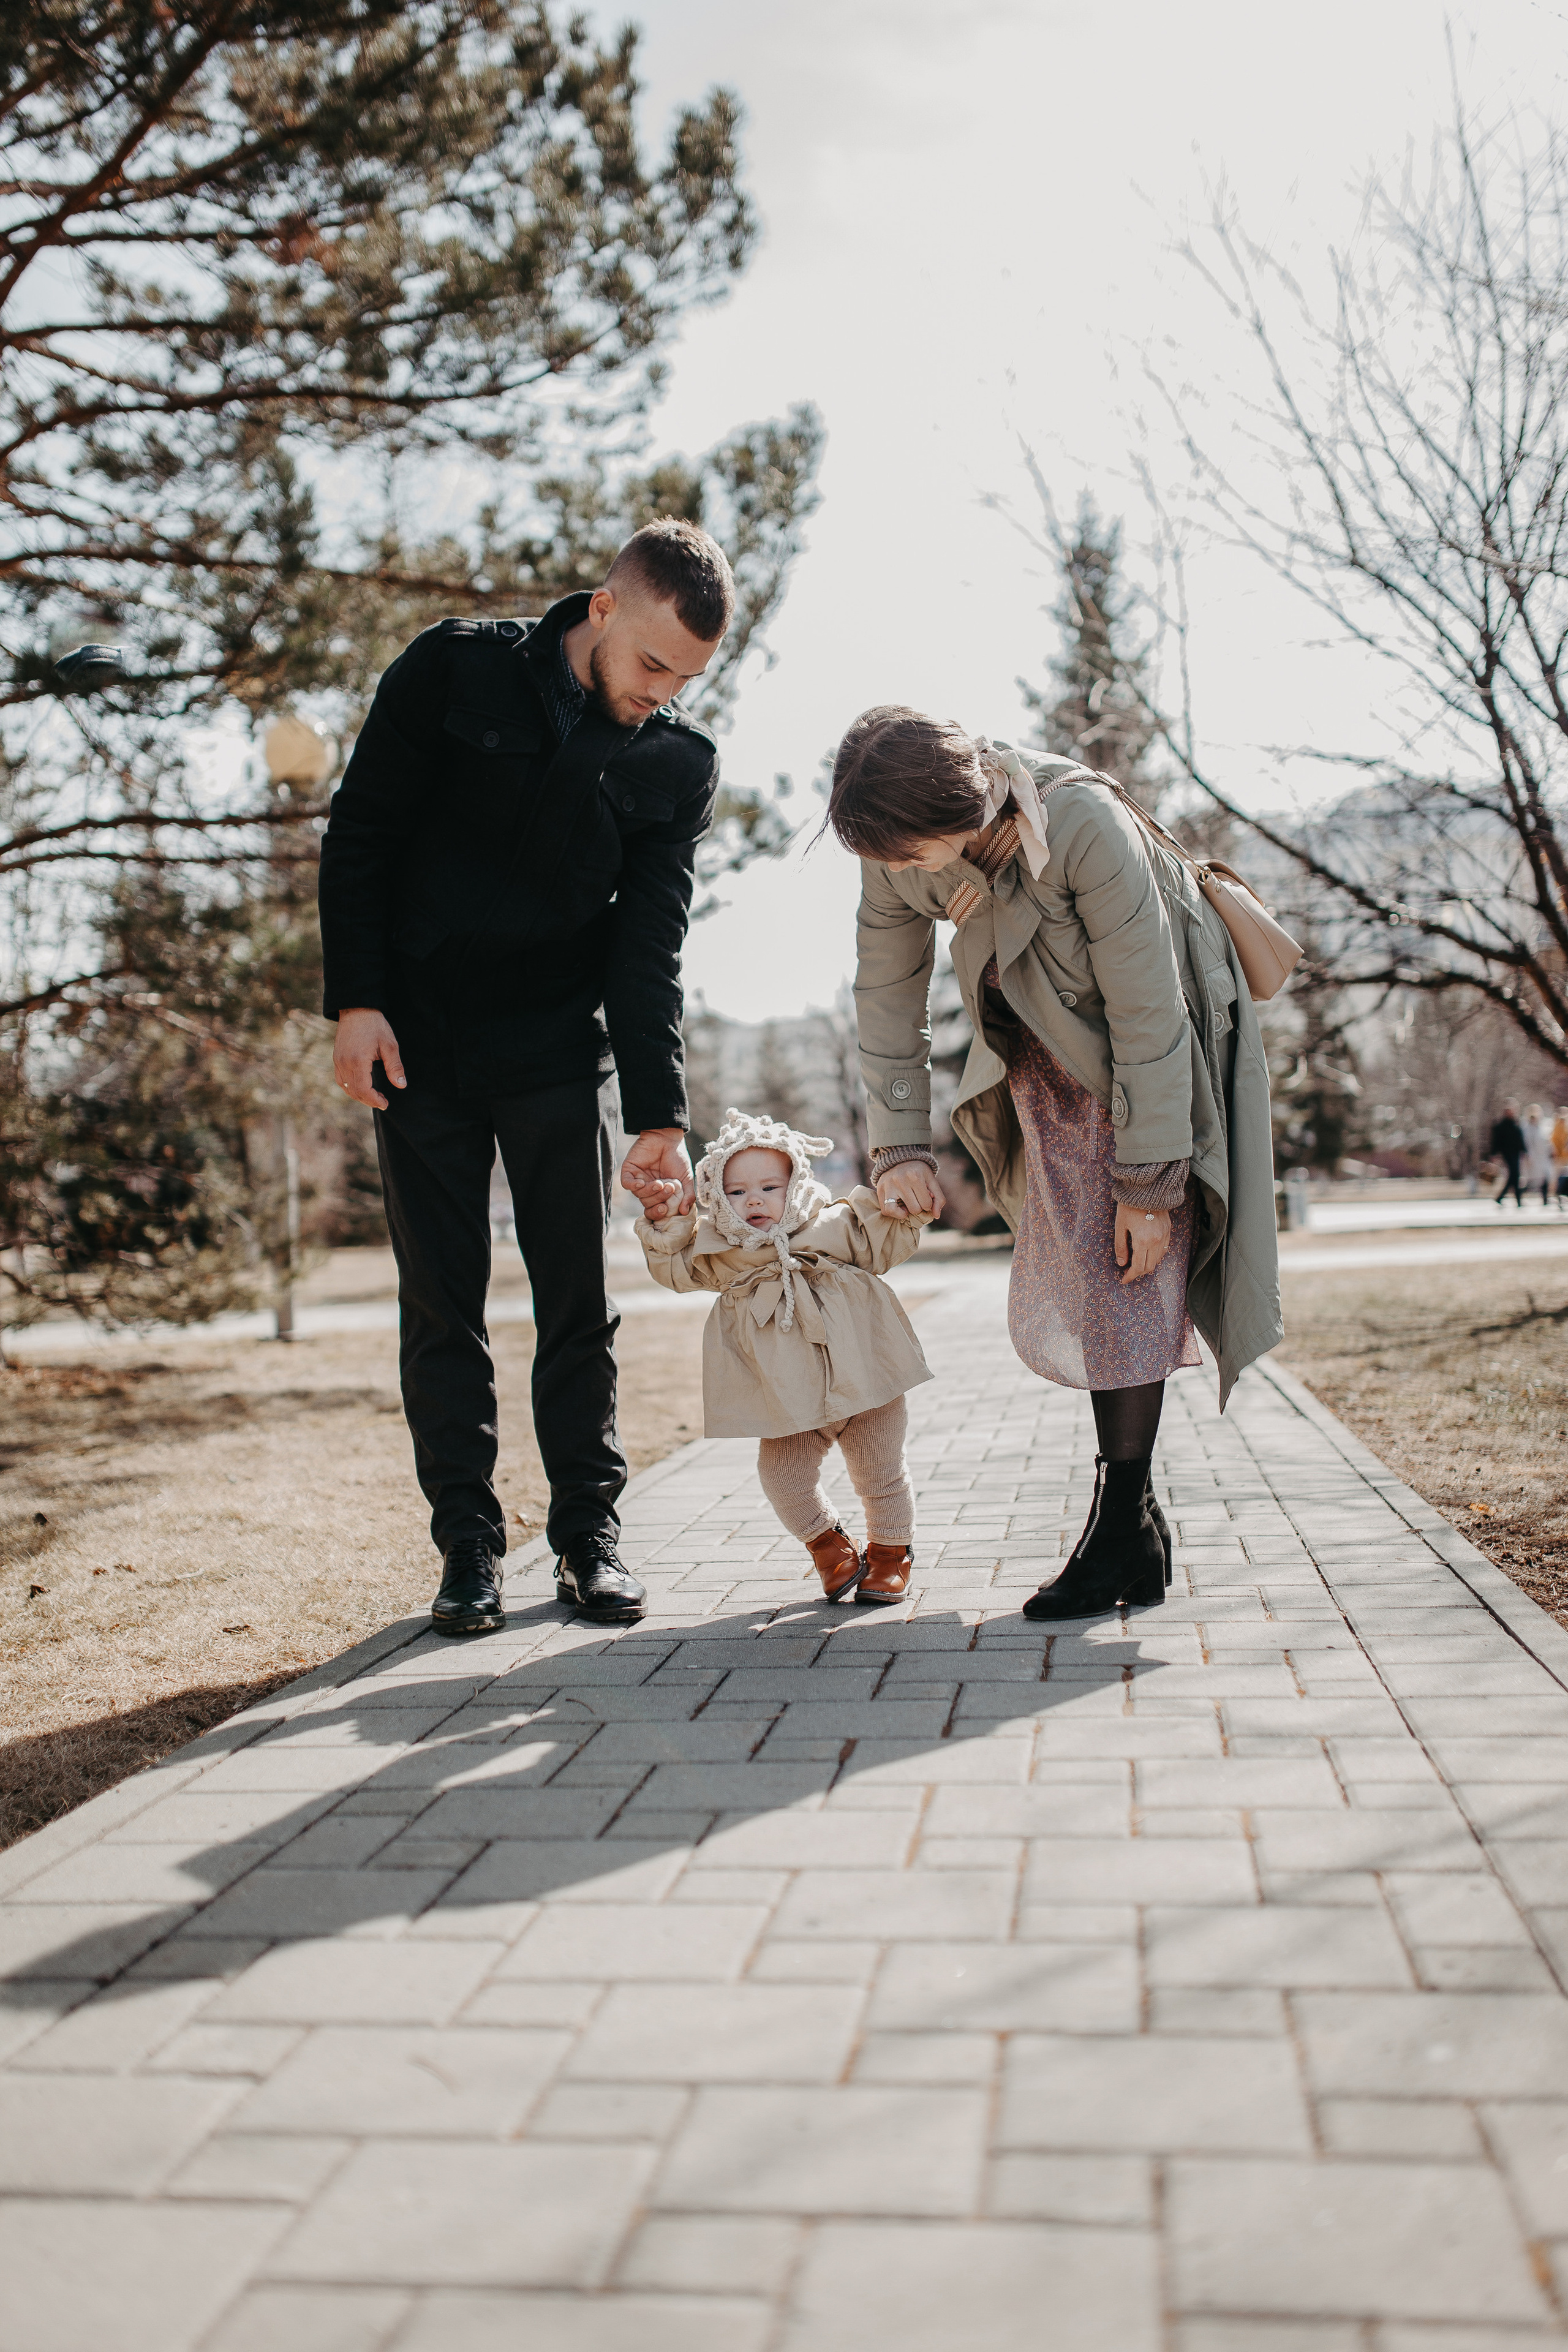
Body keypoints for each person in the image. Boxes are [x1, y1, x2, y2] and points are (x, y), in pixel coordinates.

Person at [318, 520, 734, 1634]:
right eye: (652, 663)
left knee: (577, 1306)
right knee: (440, 1306)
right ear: (603, 609)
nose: (662, 692)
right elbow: (361, 829)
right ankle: (467, 1551)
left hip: (556, 1052)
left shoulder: (674, 766)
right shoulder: (453, 668)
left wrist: (659, 1116)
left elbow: (648, 952)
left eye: (687, 678)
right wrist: (357, 1001)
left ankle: (590, 1539)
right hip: (421, 1047)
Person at [826, 711, 1281, 1622]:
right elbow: (886, 994)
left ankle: (1119, 1532)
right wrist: (901, 1145)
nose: (902, 873)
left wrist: (1151, 1181)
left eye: (913, 853)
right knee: (1096, 1287)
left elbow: (1151, 1010)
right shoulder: (896, 849)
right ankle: (1137, 1534)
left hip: (1141, 1079)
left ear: (960, 806)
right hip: (1041, 1082)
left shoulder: (1080, 825)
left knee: (1124, 1280)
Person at [636, 1108, 933, 1604]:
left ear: (795, 1182)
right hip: (786, 1397)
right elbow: (675, 1270)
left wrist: (908, 1209)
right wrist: (667, 1224)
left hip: (865, 1379)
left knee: (880, 1473)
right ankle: (829, 1546)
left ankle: (890, 1554)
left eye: (770, 1187)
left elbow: (886, 1241)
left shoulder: (835, 1222)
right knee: (782, 1477)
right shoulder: (719, 1249)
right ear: (716, 1197)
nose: (753, 1199)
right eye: (736, 1192)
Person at [1489, 1101, 1525, 1207]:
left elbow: (1520, 1140)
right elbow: (1496, 1142)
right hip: (1507, 1154)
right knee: (1514, 1175)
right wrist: (1494, 1154)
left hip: (1516, 1153)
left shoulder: (1516, 1124)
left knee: (1515, 1177)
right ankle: (1514, 1199)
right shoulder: (1500, 1126)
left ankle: (1510, 1199)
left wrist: (1524, 1151)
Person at [1522, 1102, 1553, 1208]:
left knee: (1546, 1178)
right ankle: (1520, 1195)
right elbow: (1528, 1144)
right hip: (1534, 1158)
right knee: (1532, 1182)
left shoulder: (1543, 1127)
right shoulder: (1527, 1129)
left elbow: (1548, 1142)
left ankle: (1545, 1199)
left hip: (1543, 1158)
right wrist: (1529, 1157)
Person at [1553, 1106, 1568, 1210]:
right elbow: (1555, 1141)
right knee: (1561, 1178)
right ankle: (1560, 1195)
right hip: (1560, 1158)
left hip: (1566, 1157)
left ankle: (1563, 1195)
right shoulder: (1557, 1127)